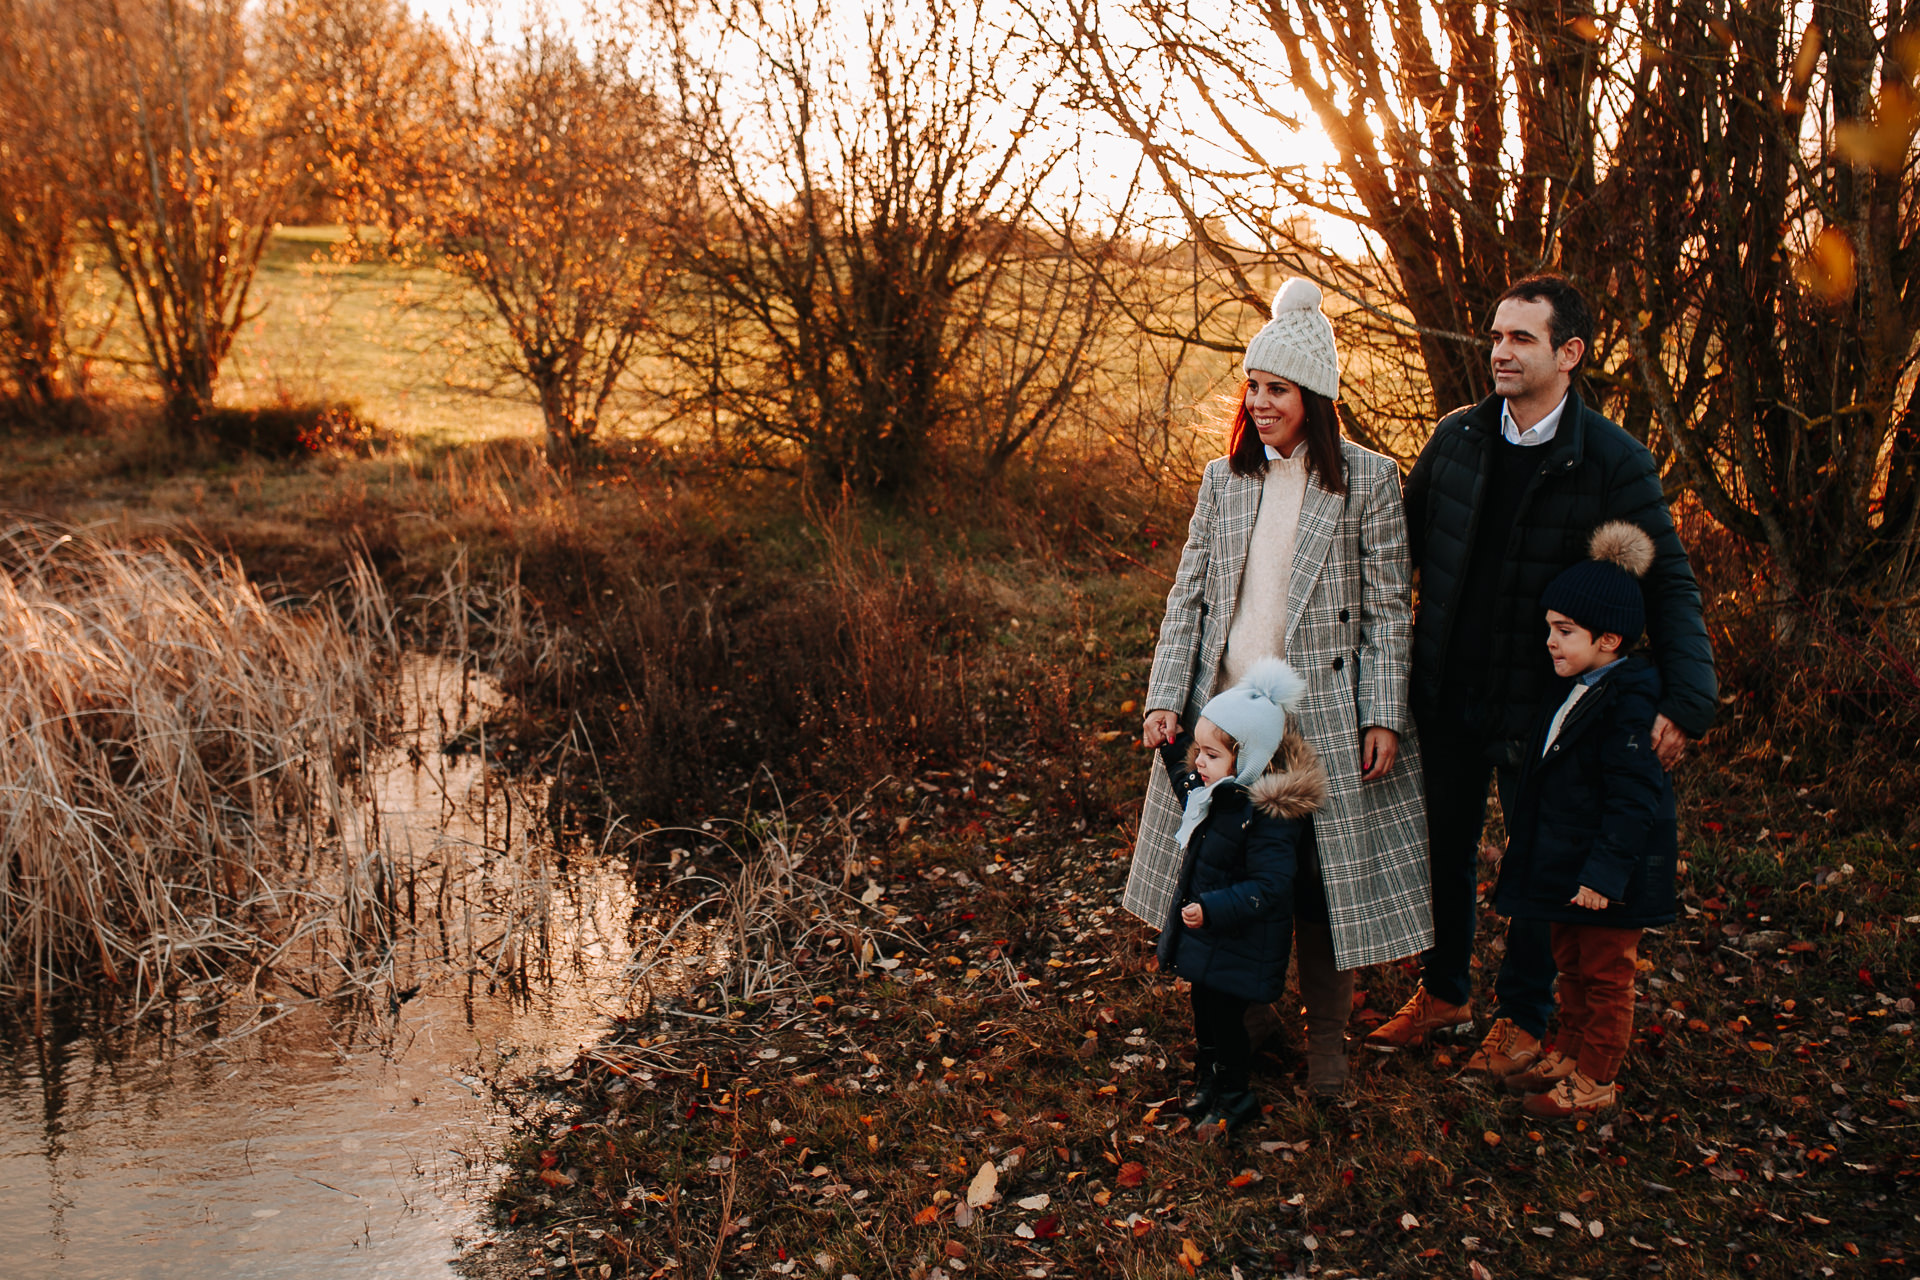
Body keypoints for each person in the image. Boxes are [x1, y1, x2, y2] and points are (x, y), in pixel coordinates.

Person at [1369, 275, 1715, 1077]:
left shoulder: (1613, 461)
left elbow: (1667, 583)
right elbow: (1392, 557)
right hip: (1449, 689)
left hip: (1552, 710)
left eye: (1521, 339)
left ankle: (1523, 1017)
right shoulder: (1455, 439)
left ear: (1570, 354)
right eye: (1496, 336)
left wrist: (1688, 700)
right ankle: (1444, 990)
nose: (1500, 351)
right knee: (1442, 852)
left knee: (1538, 862)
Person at [1127, 278, 1432, 1100]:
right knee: (1224, 872)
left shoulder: (1367, 481)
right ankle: (1249, 1016)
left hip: (1323, 719)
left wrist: (1382, 714)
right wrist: (1167, 695)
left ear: (1316, 398)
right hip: (1230, 718)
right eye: (1254, 387)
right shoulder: (1225, 480)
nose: (1260, 403)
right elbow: (1189, 592)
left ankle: (1327, 1040)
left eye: (1279, 390)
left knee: (1319, 890)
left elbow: (1385, 613)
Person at [1492, 522, 1677, 1117]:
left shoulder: (1627, 705)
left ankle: (1596, 1079)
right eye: (1550, 628)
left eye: (1565, 632)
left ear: (1610, 639)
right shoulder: (1573, 688)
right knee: (1568, 964)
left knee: (1604, 977)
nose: (1550, 641)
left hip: (1607, 881)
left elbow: (1633, 800)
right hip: (1567, 869)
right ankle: (1568, 1054)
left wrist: (1604, 875)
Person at [1155, 659, 1325, 1132]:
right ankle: (1209, 1083)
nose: (1199, 763)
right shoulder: (1216, 791)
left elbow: (1270, 888)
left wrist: (1210, 908)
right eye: (1199, 752)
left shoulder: (1268, 817)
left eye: (1210, 754)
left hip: (1239, 941)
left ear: (1249, 759)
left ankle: (1235, 1096)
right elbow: (1184, 778)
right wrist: (1172, 746)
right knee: (1204, 1014)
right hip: (1209, 936)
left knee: (1228, 1024)